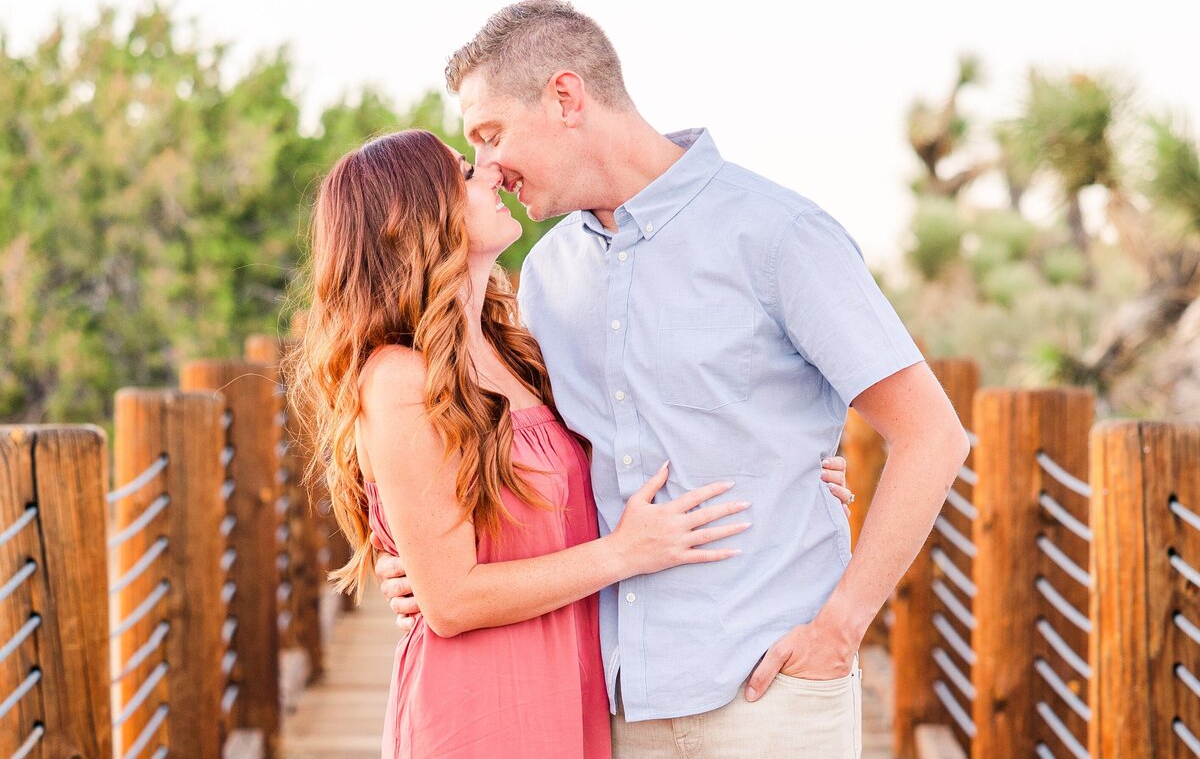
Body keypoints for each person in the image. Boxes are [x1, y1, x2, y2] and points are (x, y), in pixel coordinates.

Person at [374, 0, 971, 758]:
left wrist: (841, 627)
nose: (487, 166)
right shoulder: (547, 276)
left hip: (769, 693)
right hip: (608, 706)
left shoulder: (777, 233)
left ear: (565, 98)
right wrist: (424, 571)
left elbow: (930, 435)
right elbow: (534, 453)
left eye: (492, 135)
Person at [288, 128, 857, 758]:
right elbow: (449, 601)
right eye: (464, 171)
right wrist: (624, 554)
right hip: (478, 710)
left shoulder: (519, 351)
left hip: (568, 694)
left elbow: (631, 436)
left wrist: (790, 469)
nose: (492, 174)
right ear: (415, 214)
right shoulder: (398, 377)